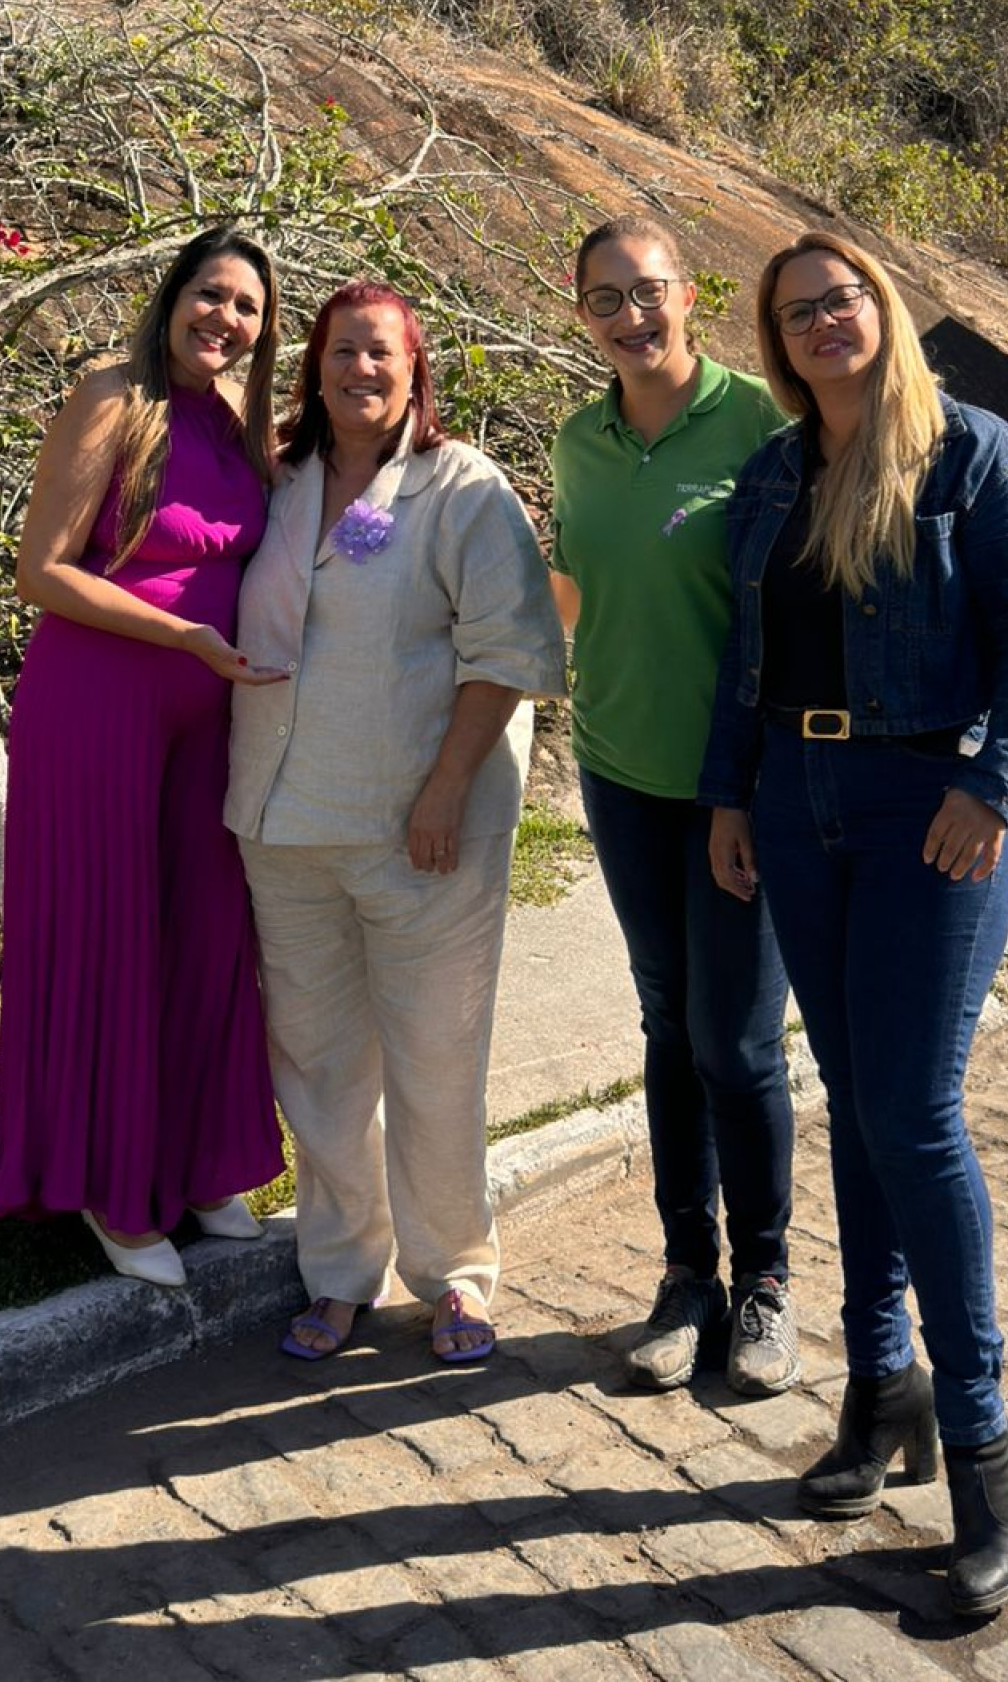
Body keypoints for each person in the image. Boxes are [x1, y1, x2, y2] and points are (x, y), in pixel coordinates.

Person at [702, 229, 1008, 1616]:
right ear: (777, 340)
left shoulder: (974, 455)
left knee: (912, 1114)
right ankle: (880, 1390)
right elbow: (748, 660)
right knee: (853, 1105)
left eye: (843, 298)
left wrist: (994, 781)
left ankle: (982, 1448)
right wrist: (729, 797)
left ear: (884, 309)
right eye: (798, 311)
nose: (824, 322)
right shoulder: (773, 472)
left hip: (934, 803)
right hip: (797, 802)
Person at [226, 281, 565, 1367]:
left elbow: (510, 649)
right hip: (284, 822)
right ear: (313, 369)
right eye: (341, 352)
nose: (361, 370)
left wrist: (445, 789)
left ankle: (455, 1269)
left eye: (381, 352)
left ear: (415, 367)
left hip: (422, 831)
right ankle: (340, 1270)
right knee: (319, 1067)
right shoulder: (280, 484)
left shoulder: (461, 488)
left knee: (435, 1057)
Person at [0, 227, 287, 1286]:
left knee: (207, 931)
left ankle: (202, 1164)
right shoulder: (114, 396)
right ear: (173, 295)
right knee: (108, 934)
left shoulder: (241, 422)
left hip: (210, 717)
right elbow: (43, 571)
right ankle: (109, 1186)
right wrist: (181, 636)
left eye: (247, 307)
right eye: (211, 294)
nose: (224, 318)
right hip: (98, 702)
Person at [548, 214, 799, 1396]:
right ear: (581, 313)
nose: (631, 315)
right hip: (619, 773)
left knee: (737, 1043)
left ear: (690, 294)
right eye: (605, 299)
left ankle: (766, 1280)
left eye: (648, 290)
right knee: (666, 1023)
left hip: (736, 788)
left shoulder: (764, 423)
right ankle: (687, 1274)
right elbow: (576, 588)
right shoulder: (578, 440)